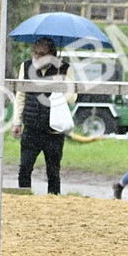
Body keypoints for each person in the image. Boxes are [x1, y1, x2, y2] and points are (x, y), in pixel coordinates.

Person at [13, 36, 75, 195]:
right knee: (25, 168)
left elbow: (73, 97)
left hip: (54, 130)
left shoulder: (65, 69)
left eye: (42, 54)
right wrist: (17, 122)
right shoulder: (25, 67)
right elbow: (21, 95)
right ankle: (23, 199)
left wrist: (60, 87)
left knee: (53, 172)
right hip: (31, 127)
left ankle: (54, 201)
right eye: (36, 53)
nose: (38, 57)